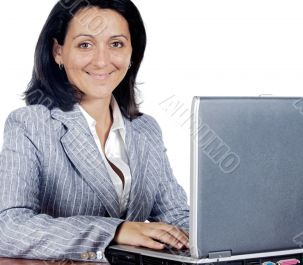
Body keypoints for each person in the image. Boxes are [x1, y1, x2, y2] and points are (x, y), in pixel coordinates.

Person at [0, 0, 189, 262]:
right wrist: (116, 230)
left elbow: (176, 217)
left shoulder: (146, 129)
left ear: (132, 52)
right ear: (58, 51)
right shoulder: (30, 124)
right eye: (85, 44)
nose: (102, 60)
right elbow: (9, 228)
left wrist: (236, 232)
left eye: (116, 44)